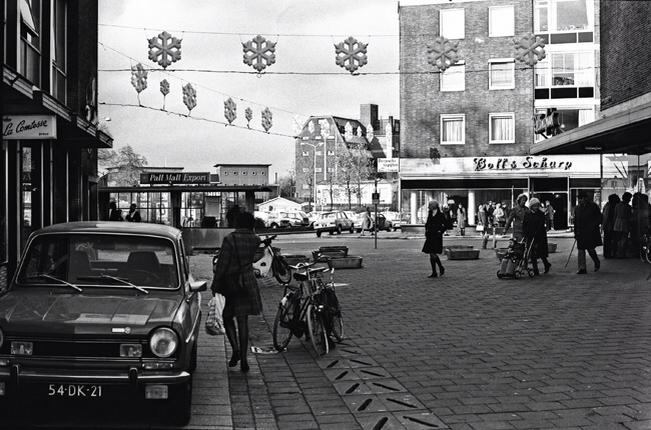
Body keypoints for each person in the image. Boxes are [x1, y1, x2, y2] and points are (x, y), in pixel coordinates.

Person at [210, 211, 262, 373]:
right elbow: (253, 259)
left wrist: (215, 284)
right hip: (247, 282)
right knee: (243, 321)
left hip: (231, 283)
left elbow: (222, 265)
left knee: (227, 317)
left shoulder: (230, 239)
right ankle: (245, 359)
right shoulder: (255, 239)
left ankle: (236, 349)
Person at [574, 192, 602, 274]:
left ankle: (596, 261)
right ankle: (582, 268)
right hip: (580, 232)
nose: (581, 200)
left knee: (590, 249)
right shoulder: (577, 208)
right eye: (579, 199)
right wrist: (576, 233)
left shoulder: (593, 206)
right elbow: (576, 221)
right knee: (581, 250)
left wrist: (593, 226)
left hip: (590, 232)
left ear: (586, 198)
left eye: (582, 198)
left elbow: (599, 218)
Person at [522, 198, 551, 275]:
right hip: (530, 235)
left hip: (539, 235)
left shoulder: (540, 214)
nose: (536, 207)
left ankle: (546, 264)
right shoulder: (527, 214)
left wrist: (537, 233)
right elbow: (525, 225)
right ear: (531, 206)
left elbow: (541, 225)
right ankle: (535, 270)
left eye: (537, 206)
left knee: (541, 252)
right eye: (534, 206)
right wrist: (525, 233)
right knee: (532, 253)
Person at [422, 201, 448, 278]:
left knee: (433, 253)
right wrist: (426, 229)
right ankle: (434, 272)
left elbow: (446, 224)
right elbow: (428, 223)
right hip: (430, 235)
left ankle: (440, 267)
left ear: (434, 206)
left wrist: (441, 231)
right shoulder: (430, 213)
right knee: (431, 254)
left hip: (437, 235)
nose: (428, 207)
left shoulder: (440, 215)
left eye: (430, 205)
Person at [613, 192, 632, 258]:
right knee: (624, 239)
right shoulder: (628, 207)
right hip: (625, 223)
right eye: (630, 198)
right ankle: (622, 253)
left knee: (618, 239)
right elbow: (629, 216)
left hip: (617, 223)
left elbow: (615, 215)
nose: (630, 200)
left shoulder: (617, 205)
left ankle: (618, 253)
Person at [602, 194, 620, 258]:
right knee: (610, 240)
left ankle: (607, 253)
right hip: (610, 226)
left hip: (607, 226)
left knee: (607, 240)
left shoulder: (607, 205)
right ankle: (610, 254)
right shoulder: (611, 207)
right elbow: (609, 217)